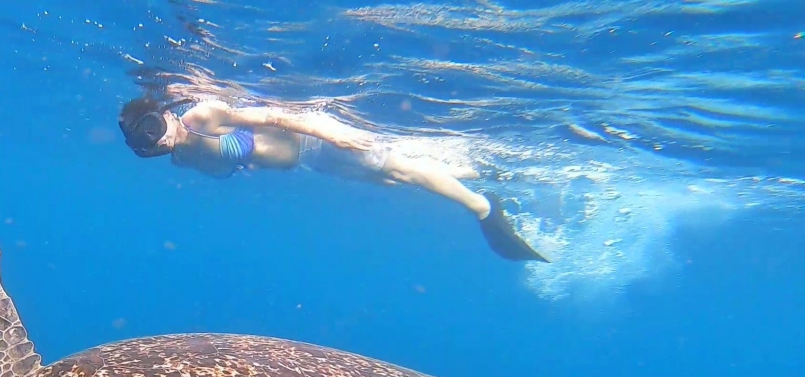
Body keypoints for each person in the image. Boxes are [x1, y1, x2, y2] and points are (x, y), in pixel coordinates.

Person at [118, 96, 549, 263]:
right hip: (309, 162)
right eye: (146, 142)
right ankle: (487, 174)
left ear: (167, 113)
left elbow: (275, 115)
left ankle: (484, 208)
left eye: (155, 126)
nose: (159, 139)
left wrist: (333, 131)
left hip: (319, 142)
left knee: (400, 169)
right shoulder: (181, 162)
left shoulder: (201, 115)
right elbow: (235, 160)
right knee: (397, 178)